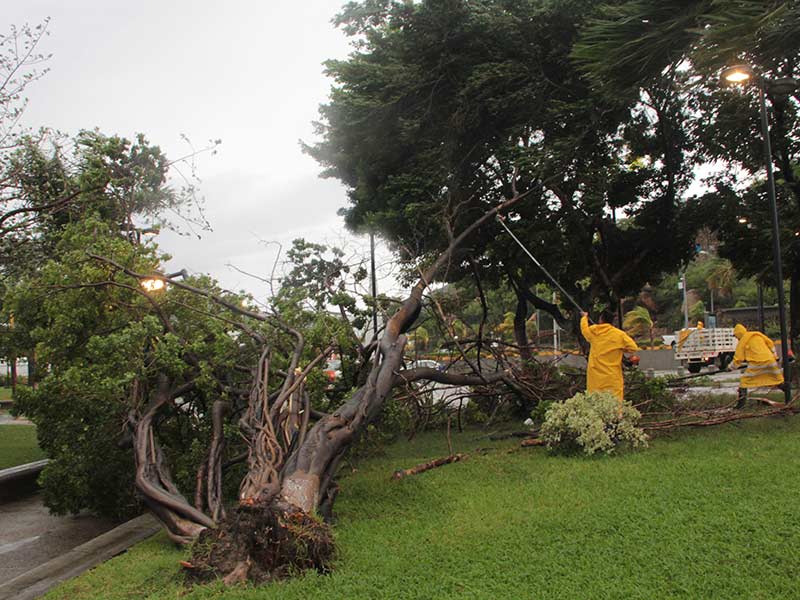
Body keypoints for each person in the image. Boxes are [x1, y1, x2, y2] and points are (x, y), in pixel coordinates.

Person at [580, 310, 640, 403]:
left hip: (596, 375)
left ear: (601, 319)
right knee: (615, 400)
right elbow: (633, 347)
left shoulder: (594, 331)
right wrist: (621, 349)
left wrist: (584, 318)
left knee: (596, 400)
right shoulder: (619, 334)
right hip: (613, 375)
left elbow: (584, 330)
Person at [731, 323, 784, 408]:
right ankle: (789, 398)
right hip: (770, 361)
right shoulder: (757, 335)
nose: (737, 338)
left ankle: (740, 406)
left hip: (757, 363)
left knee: (743, 383)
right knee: (778, 380)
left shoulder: (743, 341)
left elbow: (738, 358)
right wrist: (775, 356)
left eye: (736, 336)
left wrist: (731, 367)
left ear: (738, 334)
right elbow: (770, 343)